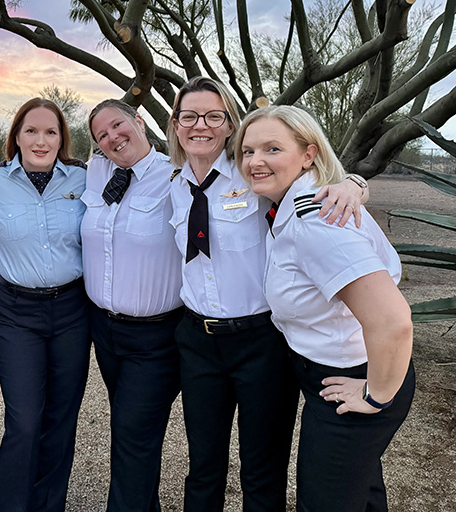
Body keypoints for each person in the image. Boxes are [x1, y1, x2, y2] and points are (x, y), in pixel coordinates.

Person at [166, 77, 367, 512]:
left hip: (261, 343)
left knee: (261, 467)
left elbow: (318, 178)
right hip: (198, 341)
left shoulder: (255, 173)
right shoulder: (173, 185)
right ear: (176, 125)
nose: (200, 125)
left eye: (213, 116)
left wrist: (354, 183)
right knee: (203, 464)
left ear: (229, 124)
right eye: (189, 116)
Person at [236, 105, 414, 512]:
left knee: (324, 501)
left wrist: (376, 394)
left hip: (353, 378)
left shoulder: (316, 221)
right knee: (362, 495)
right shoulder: (293, 202)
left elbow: (393, 321)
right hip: (326, 372)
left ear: (308, 154)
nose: (255, 161)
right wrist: (354, 182)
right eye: (247, 151)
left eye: (272, 148)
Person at [0, 98, 89, 512]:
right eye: (31, 131)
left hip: (72, 311)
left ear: (62, 137)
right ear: (16, 137)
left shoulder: (85, 179)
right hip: (15, 312)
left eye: (50, 132)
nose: (41, 140)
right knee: (25, 419)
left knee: (62, 418)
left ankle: (48, 504)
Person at [81, 99, 183, 512]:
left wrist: (351, 182)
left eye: (117, 125)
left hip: (156, 336)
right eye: (101, 135)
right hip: (103, 331)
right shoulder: (94, 173)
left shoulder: (177, 175)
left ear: (139, 121)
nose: (112, 137)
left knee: (132, 432)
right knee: (130, 431)